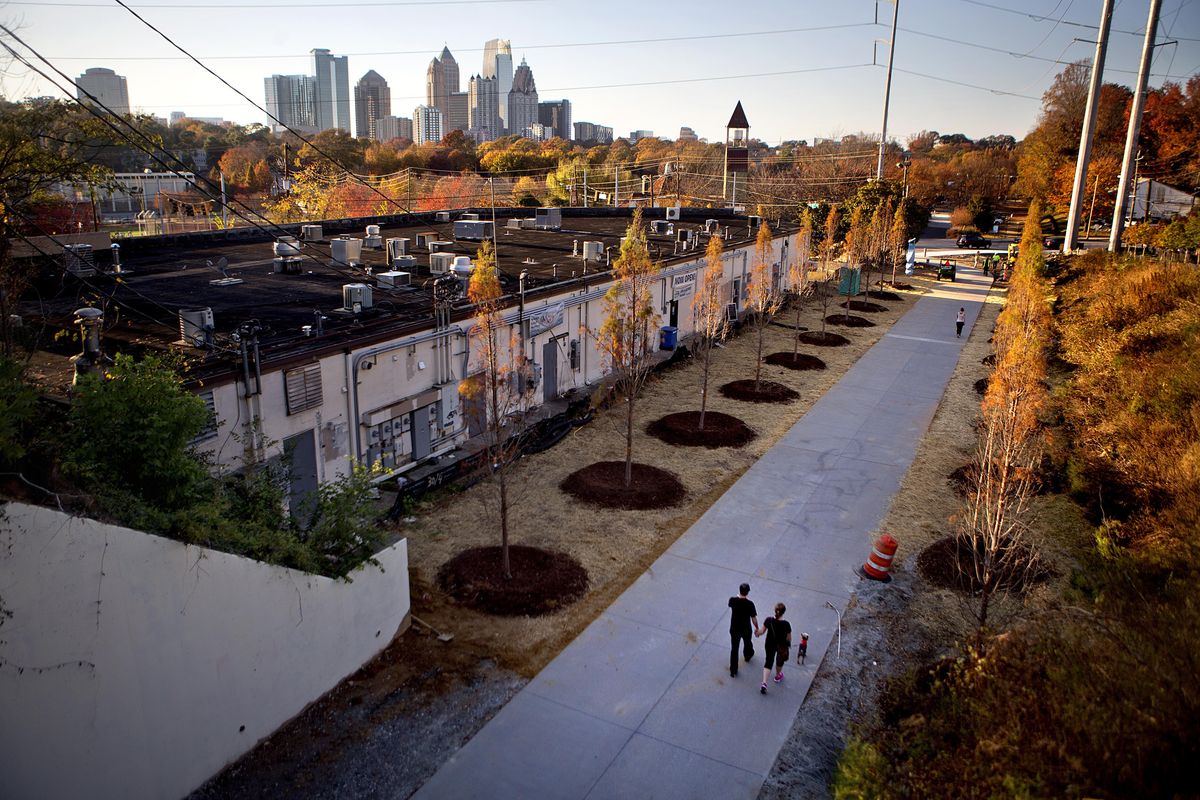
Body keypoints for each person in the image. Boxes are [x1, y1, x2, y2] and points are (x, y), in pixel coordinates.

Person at [757, 602, 792, 693]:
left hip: (769, 644)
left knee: (769, 661)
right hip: (781, 645)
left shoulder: (769, 620)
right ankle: (777, 675)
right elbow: (789, 637)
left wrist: (757, 633)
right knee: (779, 661)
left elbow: (762, 631)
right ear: (783, 612)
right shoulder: (786, 624)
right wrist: (788, 644)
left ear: (775, 610)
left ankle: (764, 683)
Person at [727, 583, 759, 678]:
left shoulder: (732, 600)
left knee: (734, 649)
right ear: (747, 592)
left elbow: (730, 604)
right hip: (746, 628)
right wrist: (757, 627)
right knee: (747, 642)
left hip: (734, 628)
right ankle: (748, 655)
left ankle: (733, 670)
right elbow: (753, 618)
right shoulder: (750, 604)